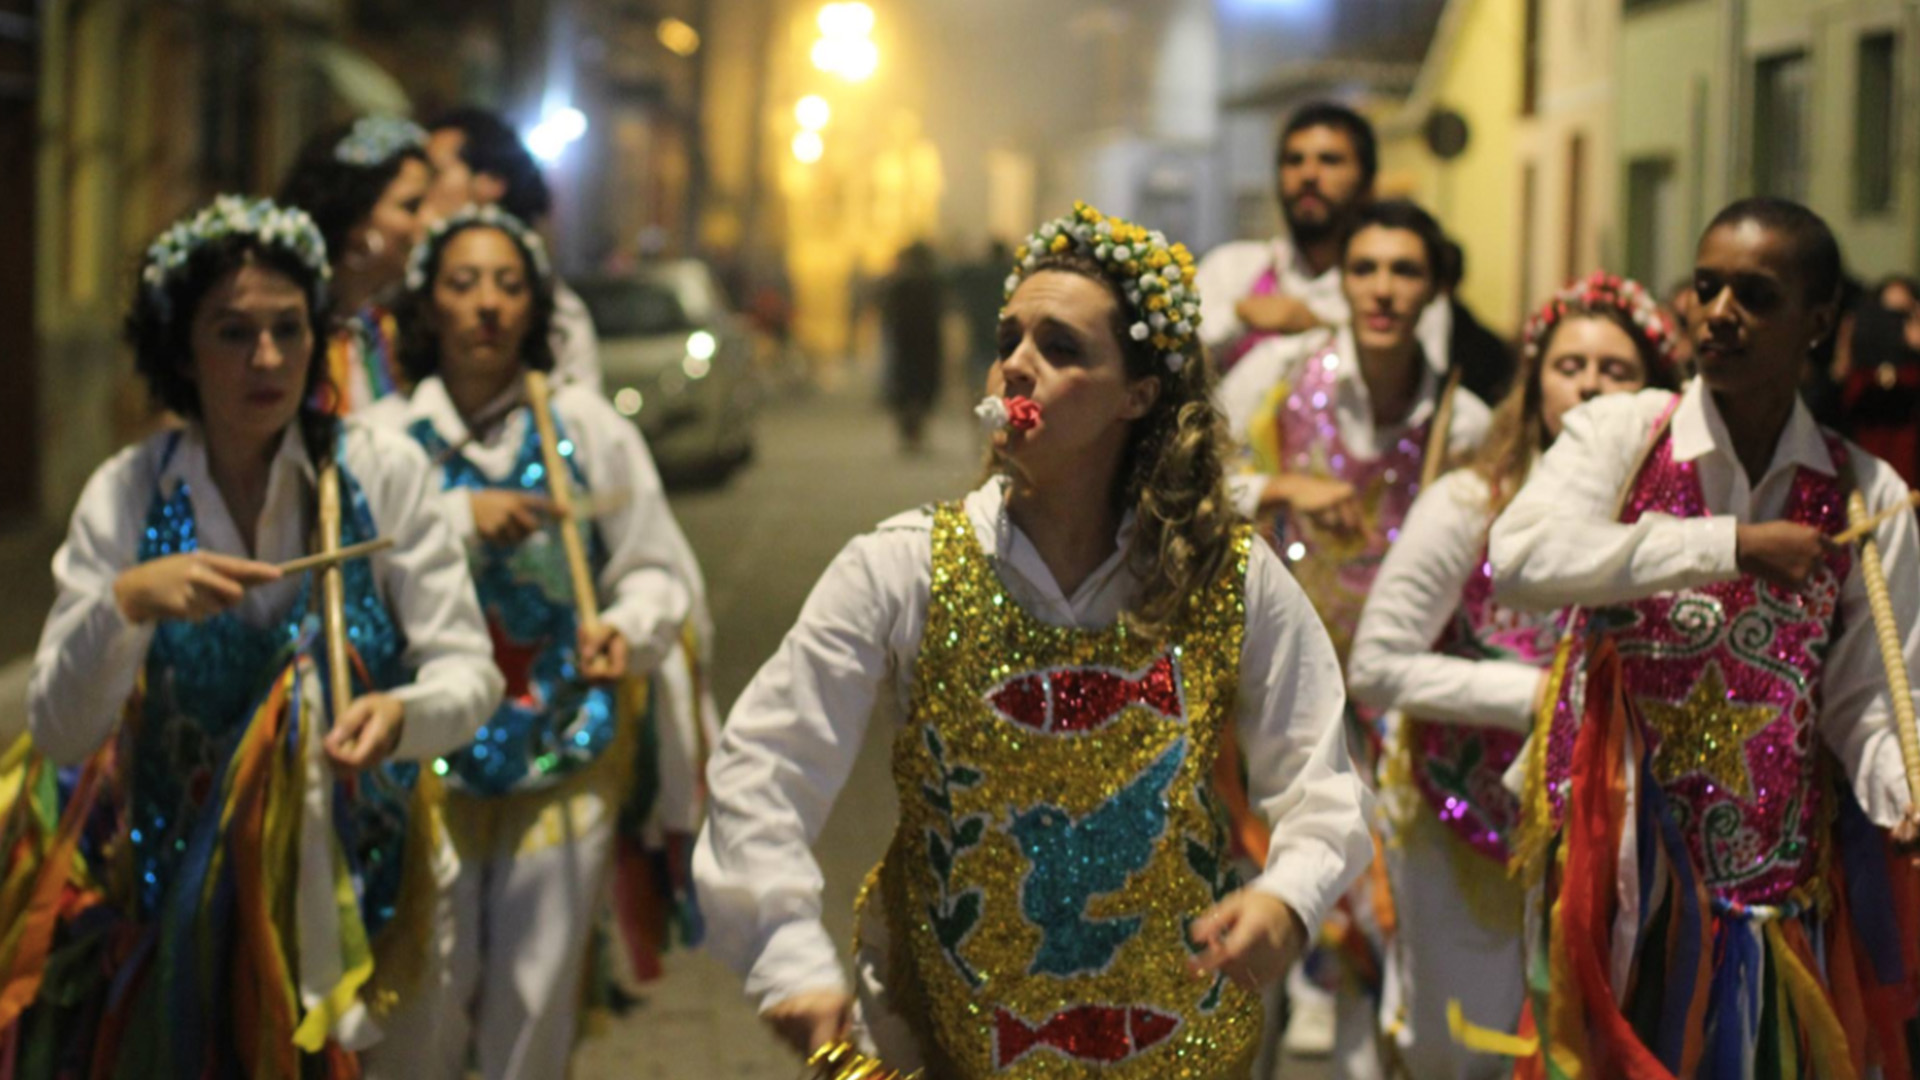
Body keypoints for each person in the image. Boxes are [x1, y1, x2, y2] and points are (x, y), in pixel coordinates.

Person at [693, 203, 1373, 1077]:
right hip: (947, 1030)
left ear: (1139, 395)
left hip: (1175, 1034)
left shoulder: (1223, 574)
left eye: (1061, 347)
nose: (1017, 362)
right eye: (1008, 336)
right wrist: (783, 948)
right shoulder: (904, 568)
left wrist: (1287, 896)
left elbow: (1320, 774)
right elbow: (765, 762)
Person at [2, 196, 502, 1075]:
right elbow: (61, 730)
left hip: (374, 900)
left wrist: (400, 715)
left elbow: (470, 674)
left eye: (288, 328)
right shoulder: (129, 494)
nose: (266, 358)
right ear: (181, 350)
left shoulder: (380, 473)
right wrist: (126, 603)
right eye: (233, 332)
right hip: (184, 923)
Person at [1490, 198, 1920, 1077]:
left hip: (1768, 900)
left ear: (1820, 321)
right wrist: (1729, 545)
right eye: (1709, 286)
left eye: (1756, 295)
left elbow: (1873, 699)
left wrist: (1901, 790)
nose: (1720, 313)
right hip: (1610, 892)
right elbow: (1522, 556)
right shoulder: (1622, 432)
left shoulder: (1862, 492)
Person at [362, 204, 696, 1079]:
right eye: (463, 284)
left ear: (536, 306)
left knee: (537, 984)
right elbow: (352, 579)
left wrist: (626, 628)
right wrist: (455, 517)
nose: (487, 306)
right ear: (428, 305)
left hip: (566, 741)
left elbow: (658, 569)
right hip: (426, 759)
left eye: (509, 286)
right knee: (430, 986)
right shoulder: (387, 443)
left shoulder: (587, 427)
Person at [1348, 271, 1682, 1078]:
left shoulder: (1677, 524)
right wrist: (1541, 697)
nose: (1592, 387)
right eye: (1571, 367)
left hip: (1618, 842)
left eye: (1616, 371)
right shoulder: (1471, 501)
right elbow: (1376, 664)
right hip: (1467, 818)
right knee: (1461, 1047)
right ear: (1534, 381)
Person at [1216, 197, 1492, 1077]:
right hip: (1270, 699)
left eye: (1405, 271)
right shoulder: (1276, 380)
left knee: (1386, 939)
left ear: (1437, 288)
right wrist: (1276, 490)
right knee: (1249, 929)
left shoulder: (1466, 422)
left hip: (1392, 718)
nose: (1382, 289)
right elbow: (1186, 488)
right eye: (1365, 268)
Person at [1196, 101, 1449, 375]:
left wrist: (1321, 329)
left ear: (1368, 183)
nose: (1308, 175)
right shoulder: (1232, 269)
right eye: (1294, 160)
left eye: (1330, 160)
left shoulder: (1399, 286)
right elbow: (1176, 368)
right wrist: (1239, 316)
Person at [424, 107, 603, 394]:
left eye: (435, 173)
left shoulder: (560, 317)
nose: (488, 304)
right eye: (462, 284)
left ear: (490, 183)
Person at [279, 115, 433, 414]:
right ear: (354, 219)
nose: (428, 222)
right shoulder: (289, 335)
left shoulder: (387, 332)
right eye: (411, 206)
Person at [880, 241, 947, 453]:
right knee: (922, 391)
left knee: (906, 391)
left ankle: (909, 436)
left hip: (905, 345)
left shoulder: (897, 284)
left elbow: (888, 315)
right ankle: (916, 435)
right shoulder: (933, 282)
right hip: (927, 345)